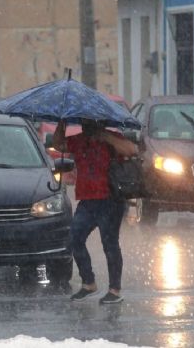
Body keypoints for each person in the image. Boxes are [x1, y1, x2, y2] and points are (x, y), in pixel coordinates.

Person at [52, 118, 137, 304]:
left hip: (110, 199)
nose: (85, 125)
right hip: (87, 201)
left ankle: (115, 290)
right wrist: (62, 122)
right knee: (75, 238)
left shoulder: (112, 137)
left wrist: (105, 136)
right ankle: (88, 283)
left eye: (89, 122)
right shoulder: (79, 139)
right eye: (82, 122)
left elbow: (131, 150)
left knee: (110, 244)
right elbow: (58, 144)